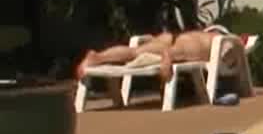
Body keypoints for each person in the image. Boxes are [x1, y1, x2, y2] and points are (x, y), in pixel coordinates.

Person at [75, 27, 247, 84]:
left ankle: (97, 57)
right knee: (185, 51)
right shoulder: (226, 40)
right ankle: (168, 56)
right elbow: (229, 56)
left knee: (134, 52)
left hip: (173, 36)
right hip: (188, 44)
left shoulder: (205, 32)